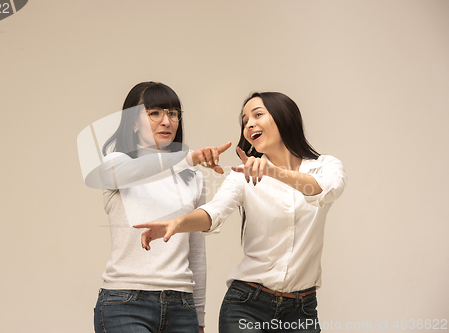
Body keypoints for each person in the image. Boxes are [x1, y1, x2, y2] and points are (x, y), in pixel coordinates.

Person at [135, 92, 347, 333]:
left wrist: (273, 171)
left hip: (302, 310)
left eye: (258, 115)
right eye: (245, 120)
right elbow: (214, 211)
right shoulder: (242, 174)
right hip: (247, 305)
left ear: (284, 117)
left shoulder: (325, 166)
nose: (249, 124)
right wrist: (177, 223)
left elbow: (325, 190)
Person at [92, 81, 231, 333]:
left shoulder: (193, 177)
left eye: (173, 113)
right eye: (154, 113)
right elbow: (140, 169)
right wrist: (189, 157)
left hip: (181, 306)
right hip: (125, 303)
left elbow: (196, 253)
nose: (166, 121)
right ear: (132, 122)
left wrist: (199, 317)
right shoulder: (116, 163)